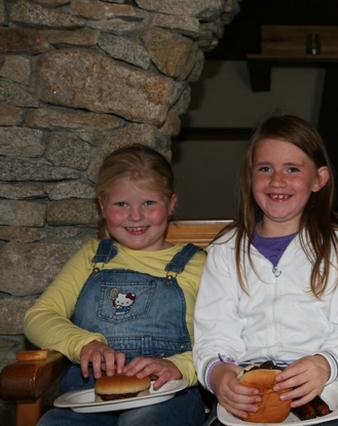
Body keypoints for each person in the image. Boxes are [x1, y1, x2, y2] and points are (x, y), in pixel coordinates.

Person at [193, 114, 338, 425]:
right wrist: (217, 372)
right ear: (250, 177)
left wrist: (325, 364)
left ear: (318, 179)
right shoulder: (226, 249)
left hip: (321, 388)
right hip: (248, 387)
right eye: (265, 169)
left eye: (292, 169)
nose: (277, 181)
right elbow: (213, 333)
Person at [23, 144, 206, 426]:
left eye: (149, 203)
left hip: (167, 396)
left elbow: (225, 341)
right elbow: (38, 317)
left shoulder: (199, 264)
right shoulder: (92, 257)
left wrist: (180, 365)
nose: (135, 216)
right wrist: (84, 344)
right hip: (89, 398)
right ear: (102, 206)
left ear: (171, 204)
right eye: (121, 204)